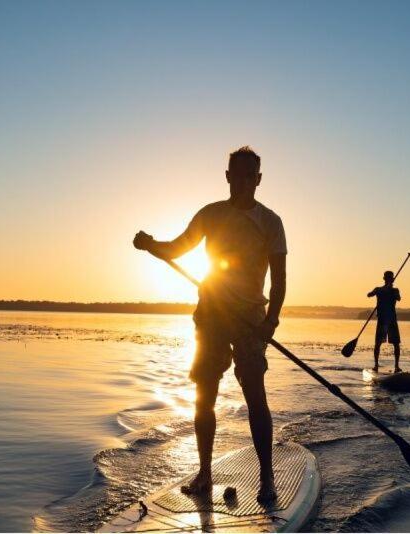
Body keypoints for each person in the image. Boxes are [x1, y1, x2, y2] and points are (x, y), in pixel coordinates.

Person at [133, 146, 286, 503]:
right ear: (228, 175)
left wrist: (271, 321)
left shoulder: (271, 222)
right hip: (212, 313)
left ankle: (267, 478)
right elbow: (175, 249)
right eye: (237, 173)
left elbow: (279, 280)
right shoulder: (210, 214)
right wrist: (149, 244)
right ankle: (204, 473)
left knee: (255, 397)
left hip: (250, 319)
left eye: (251, 175)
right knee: (204, 395)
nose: (243, 180)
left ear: (258, 180)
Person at [368, 271, 402, 373]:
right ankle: (376, 366)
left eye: (390, 278)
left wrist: (389, 290)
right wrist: (382, 291)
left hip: (392, 320)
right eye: (387, 278)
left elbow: (398, 298)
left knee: (396, 344)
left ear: (392, 279)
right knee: (377, 343)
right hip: (382, 320)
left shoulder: (395, 290)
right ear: (384, 278)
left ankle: (396, 366)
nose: (389, 280)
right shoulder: (379, 289)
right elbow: (369, 294)